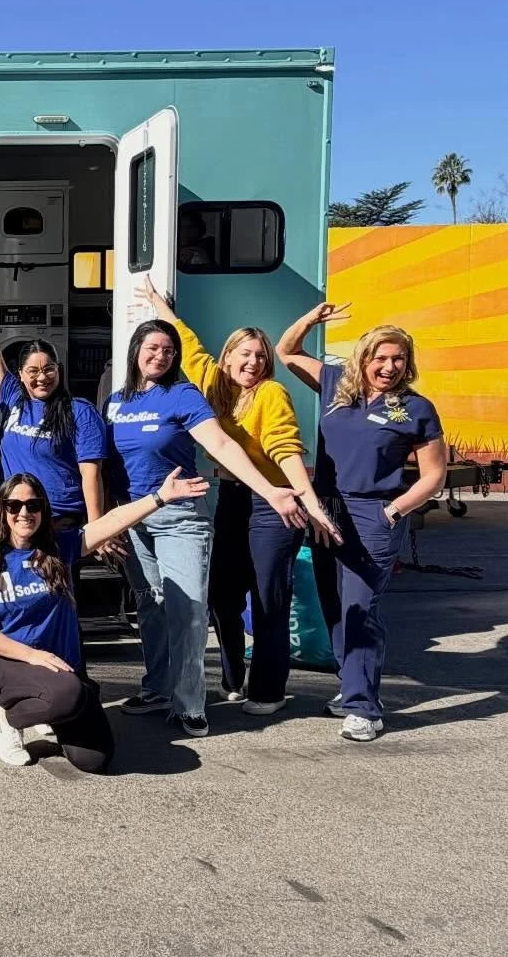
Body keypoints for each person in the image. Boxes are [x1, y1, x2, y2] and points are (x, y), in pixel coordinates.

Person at [136, 276, 341, 713]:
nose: (253, 362)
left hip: (274, 504)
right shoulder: (212, 382)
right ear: (227, 355)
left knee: (268, 599)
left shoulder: (271, 393)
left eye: (260, 356)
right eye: (245, 353)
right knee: (223, 598)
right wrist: (157, 302)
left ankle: (268, 690)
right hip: (232, 500)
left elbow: (286, 450)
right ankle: (232, 679)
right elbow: (187, 342)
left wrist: (308, 502)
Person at [106, 320, 307, 738]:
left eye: (169, 350)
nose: (161, 356)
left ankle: (190, 704)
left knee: (189, 610)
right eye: (153, 347)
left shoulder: (183, 394)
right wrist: (106, 520)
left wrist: (270, 490)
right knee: (151, 606)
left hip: (179, 516)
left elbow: (221, 445)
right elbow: (106, 463)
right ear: (135, 350)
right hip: (134, 516)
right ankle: (158, 688)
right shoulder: (115, 402)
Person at [0, 468, 209, 771]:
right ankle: (6, 719)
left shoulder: (57, 549)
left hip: (61, 668)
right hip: (9, 664)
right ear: (2, 510)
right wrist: (32, 655)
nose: (24, 513)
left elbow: (112, 521)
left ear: (43, 510)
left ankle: (51, 708)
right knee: (67, 694)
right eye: (14, 505)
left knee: (94, 759)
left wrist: (160, 497)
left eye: (33, 505)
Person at [277, 306, 446, 741]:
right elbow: (286, 351)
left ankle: (364, 709)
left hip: (375, 514)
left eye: (399, 358)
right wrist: (310, 319)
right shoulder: (335, 384)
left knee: (360, 609)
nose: (390, 367)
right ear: (363, 358)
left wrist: (394, 511)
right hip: (327, 510)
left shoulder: (416, 409)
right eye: (381, 357)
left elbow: (434, 477)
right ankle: (352, 686)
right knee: (334, 607)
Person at [0, 279, 110, 569]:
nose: (42, 377)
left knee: (56, 589)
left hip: (59, 520)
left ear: (59, 370)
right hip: (14, 519)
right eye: (33, 371)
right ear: (20, 375)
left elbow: (91, 475)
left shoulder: (79, 411)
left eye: (49, 369)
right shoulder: (13, 398)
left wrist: (96, 528)